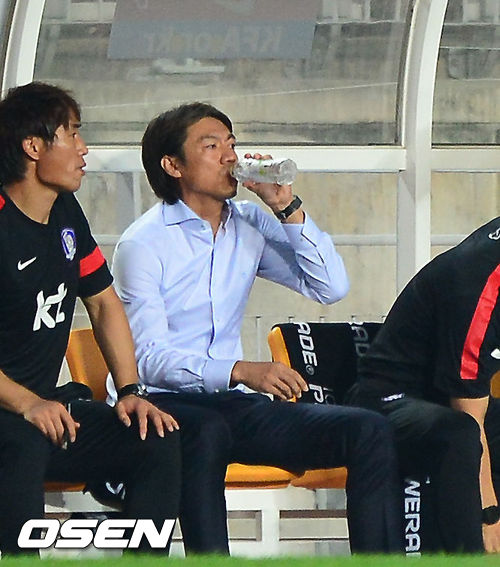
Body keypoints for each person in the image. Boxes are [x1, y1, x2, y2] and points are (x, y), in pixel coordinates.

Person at [111, 101, 403, 554]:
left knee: (368, 429)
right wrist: (240, 370)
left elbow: (329, 286)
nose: (230, 156)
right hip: (162, 403)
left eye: (232, 144)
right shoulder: (143, 244)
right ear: (173, 166)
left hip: (232, 406)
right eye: (212, 146)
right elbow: (145, 360)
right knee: (206, 432)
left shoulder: (248, 224)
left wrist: (284, 205)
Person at [0, 82, 182, 556]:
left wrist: (131, 391)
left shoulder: (65, 210)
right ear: (33, 147)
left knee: (156, 440)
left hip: (45, 408)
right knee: (22, 445)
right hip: (14, 412)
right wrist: (27, 404)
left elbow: (103, 302)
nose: (84, 149)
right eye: (73, 134)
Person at [350, 217, 500, 553]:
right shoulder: (480, 288)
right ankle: (471, 554)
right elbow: (469, 414)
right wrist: (490, 517)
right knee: (459, 435)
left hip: (448, 399)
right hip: (390, 398)